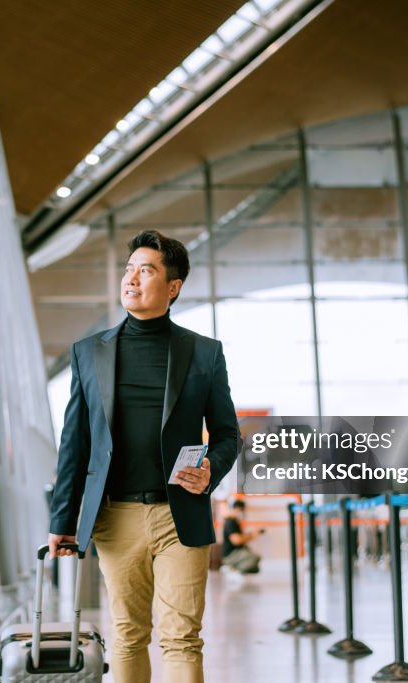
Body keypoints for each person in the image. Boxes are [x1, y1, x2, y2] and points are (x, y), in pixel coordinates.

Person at [47, 230, 240, 683]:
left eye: (146, 270)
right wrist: (62, 520)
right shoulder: (88, 353)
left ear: (173, 287)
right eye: (129, 269)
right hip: (115, 517)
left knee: (182, 638)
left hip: (180, 515)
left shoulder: (204, 353)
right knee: (128, 634)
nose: (131, 278)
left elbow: (227, 434)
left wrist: (210, 469)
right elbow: (74, 442)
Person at [221, 500, 263, 575]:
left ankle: (233, 568)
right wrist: (251, 535)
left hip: (237, 552)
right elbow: (236, 540)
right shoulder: (231, 522)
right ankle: (230, 568)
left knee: (255, 568)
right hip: (231, 554)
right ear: (237, 509)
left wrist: (251, 535)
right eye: (242, 511)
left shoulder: (235, 522)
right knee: (254, 558)